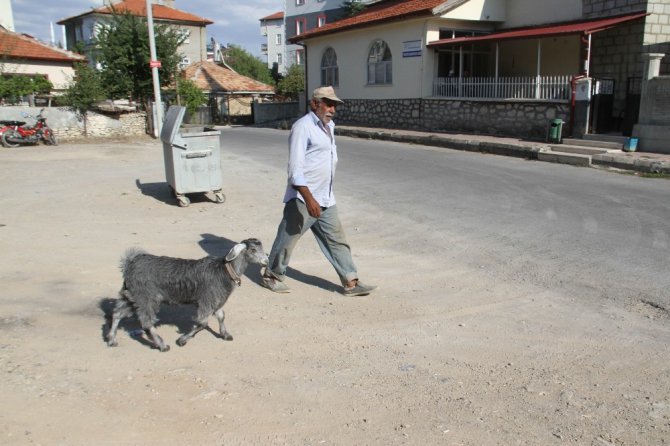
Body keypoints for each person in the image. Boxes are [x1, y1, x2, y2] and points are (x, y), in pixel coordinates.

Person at [260, 86, 376, 297]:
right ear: (315, 104)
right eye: (328, 103)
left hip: (326, 197)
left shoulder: (329, 126)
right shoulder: (302, 127)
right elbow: (295, 169)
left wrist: (321, 197)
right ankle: (272, 275)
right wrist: (309, 198)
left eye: (335, 105)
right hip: (304, 198)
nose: (332, 109)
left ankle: (351, 282)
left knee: (336, 240)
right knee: (288, 239)